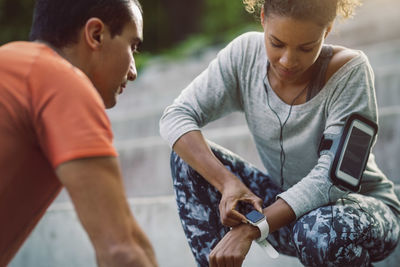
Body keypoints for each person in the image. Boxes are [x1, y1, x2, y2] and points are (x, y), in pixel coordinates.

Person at [159, 0, 400, 266]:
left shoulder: (350, 71)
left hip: (357, 216)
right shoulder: (245, 55)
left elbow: (336, 179)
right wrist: (226, 183)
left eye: (306, 48)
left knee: (320, 228)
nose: (288, 60)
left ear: (327, 30)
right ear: (263, 18)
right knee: (188, 160)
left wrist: (253, 227)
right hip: (284, 214)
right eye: (276, 43)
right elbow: (176, 116)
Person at [0, 0, 158, 266]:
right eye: (132, 46)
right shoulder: (60, 82)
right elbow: (121, 251)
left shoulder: (12, 61)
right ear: (96, 34)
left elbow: (131, 239)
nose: (133, 71)